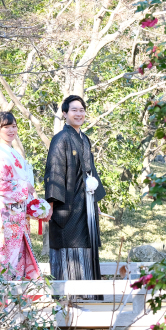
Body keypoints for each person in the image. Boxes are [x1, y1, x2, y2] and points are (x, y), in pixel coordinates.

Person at [44, 95, 106, 299]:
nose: (79, 114)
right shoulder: (61, 139)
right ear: (64, 113)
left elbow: (91, 172)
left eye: (82, 110)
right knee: (70, 247)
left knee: (87, 246)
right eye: (74, 110)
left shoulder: (84, 139)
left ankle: (89, 297)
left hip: (86, 203)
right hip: (68, 205)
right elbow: (55, 172)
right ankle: (69, 300)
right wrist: (51, 203)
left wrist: (95, 201)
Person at [0, 111, 41, 280]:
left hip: (18, 215)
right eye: (6, 127)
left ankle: (15, 302)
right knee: (3, 258)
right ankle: (0, 301)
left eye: (13, 126)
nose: (11, 130)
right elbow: (2, 187)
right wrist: (24, 186)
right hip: (5, 216)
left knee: (18, 259)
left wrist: (33, 205)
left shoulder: (14, 155)